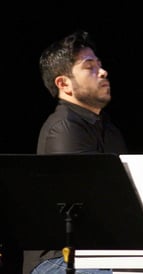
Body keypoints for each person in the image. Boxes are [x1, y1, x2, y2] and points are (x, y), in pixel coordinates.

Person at [27, 30, 128, 274]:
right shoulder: (64, 128)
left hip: (100, 253)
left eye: (100, 65)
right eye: (89, 67)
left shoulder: (110, 130)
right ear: (64, 84)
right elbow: (95, 207)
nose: (102, 72)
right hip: (58, 260)